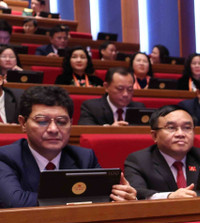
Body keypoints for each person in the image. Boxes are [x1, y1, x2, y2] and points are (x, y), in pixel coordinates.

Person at [0, 85, 137, 208]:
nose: (53, 129)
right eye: (42, 121)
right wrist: (78, 200)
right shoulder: (6, 158)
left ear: (70, 123)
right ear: (23, 123)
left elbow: (105, 197)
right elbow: (15, 201)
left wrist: (125, 197)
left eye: (61, 122)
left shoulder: (84, 157)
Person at [124, 106, 200, 200]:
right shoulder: (139, 160)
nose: (180, 134)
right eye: (171, 128)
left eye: (187, 128)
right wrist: (169, 197)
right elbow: (136, 193)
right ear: (155, 135)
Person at [78, 67, 145, 125]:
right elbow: (86, 132)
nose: (126, 94)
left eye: (129, 89)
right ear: (106, 87)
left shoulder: (138, 108)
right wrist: (109, 130)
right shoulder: (91, 108)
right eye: (120, 89)